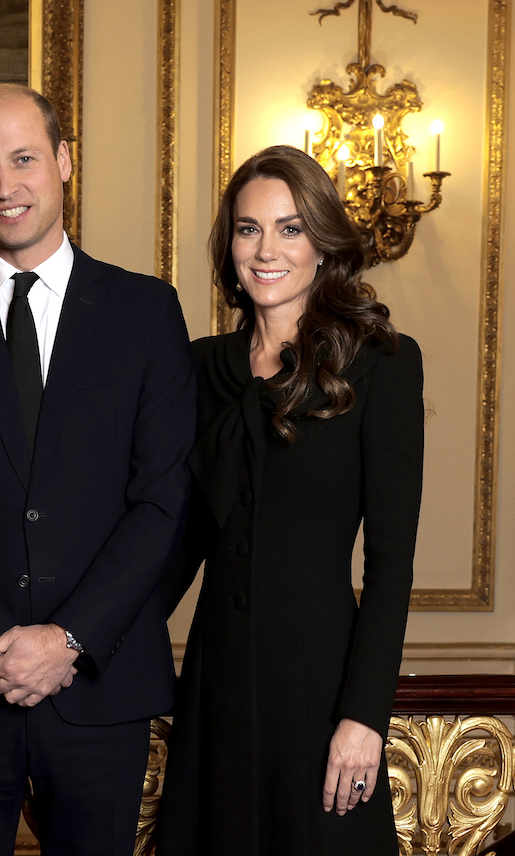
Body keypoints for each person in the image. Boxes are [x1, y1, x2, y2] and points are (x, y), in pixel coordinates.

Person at [0, 83, 197, 856]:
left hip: (101, 687)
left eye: (23, 160)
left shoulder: (146, 313)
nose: (5, 185)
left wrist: (68, 639)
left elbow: (161, 501)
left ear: (64, 161)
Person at [156, 145, 424, 855]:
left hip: (320, 688)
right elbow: (174, 541)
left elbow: (393, 564)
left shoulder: (381, 363)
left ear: (323, 243)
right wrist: (81, 642)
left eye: (289, 228)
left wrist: (364, 717)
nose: (266, 249)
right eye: (249, 229)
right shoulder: (196, 366)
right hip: (216, 683)